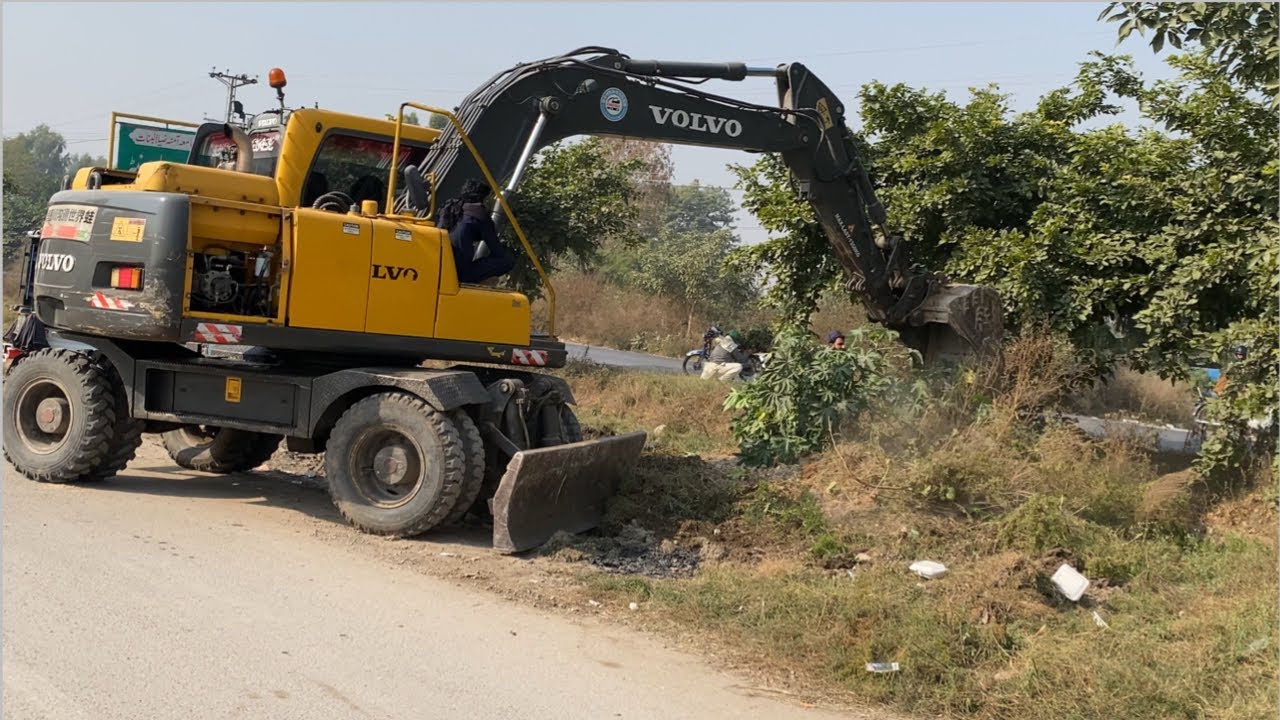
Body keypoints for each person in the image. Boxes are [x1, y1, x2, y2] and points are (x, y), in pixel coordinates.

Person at [436, 178, 516, 285]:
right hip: (457, 273)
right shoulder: (479, 213)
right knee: (506, 259)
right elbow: (497, 251)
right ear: (482, 198)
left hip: (437, 263)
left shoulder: (449, 206)